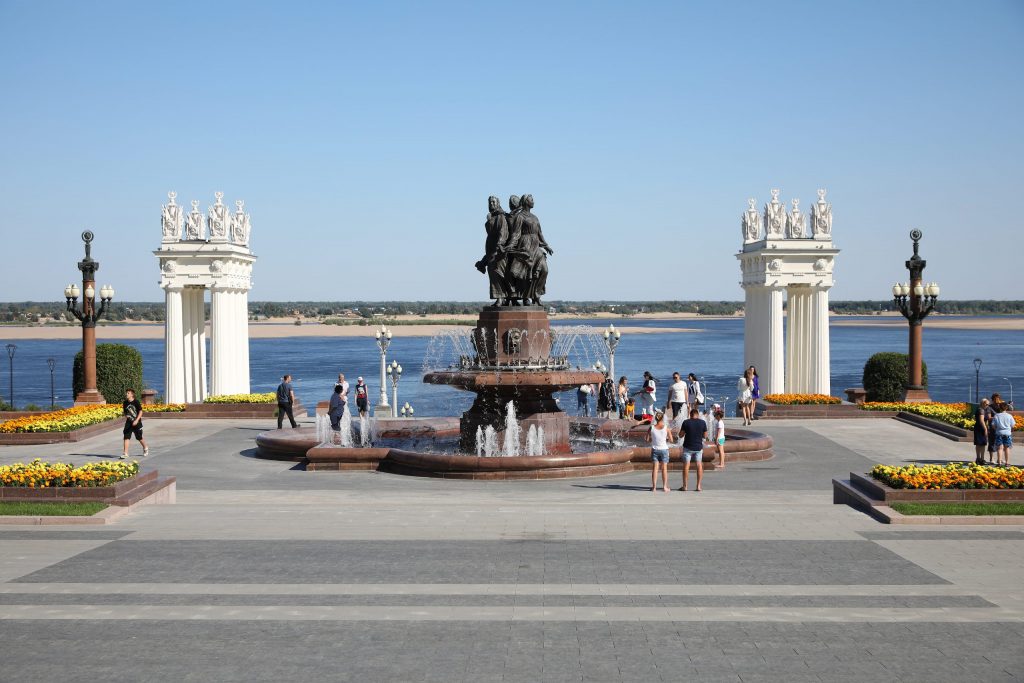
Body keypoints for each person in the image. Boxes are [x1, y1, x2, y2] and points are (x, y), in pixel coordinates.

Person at [645, 410, 674, 492]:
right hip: (664, 449)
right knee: (664, 469)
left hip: (655, 449)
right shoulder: (666, 428)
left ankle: (654, 487)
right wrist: (666, 438)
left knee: (655, 469)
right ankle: (665, 487)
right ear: (663, 419)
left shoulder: (651, 428)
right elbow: (671, 440)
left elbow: (647, 440)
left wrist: (652, 439)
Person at [678, 408, 707, 491]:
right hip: (698, 447)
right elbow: (705, 436)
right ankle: (698, 486)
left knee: (686, 466)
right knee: (699, 465)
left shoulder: (686, 422)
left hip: (688, 447)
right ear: (697, 415)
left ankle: (685, 486)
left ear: (690, 415)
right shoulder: (703, 422)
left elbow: (681, 435)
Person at [120, 389, 148, 459]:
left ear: (132, 395)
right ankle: (125, 453)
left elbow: (140, 412)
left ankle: (145, 447)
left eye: (128, 393)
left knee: (139, 437)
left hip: (137, 422)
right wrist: (127, 417)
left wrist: (136, 420)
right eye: (126, 393)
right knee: (126, 436)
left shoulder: (136, 402)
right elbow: (125, 412)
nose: (126, 394)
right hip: (129, 423)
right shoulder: (125, 403)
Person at [991, 402, 1015, 466]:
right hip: (1007, 433)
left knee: (999, 448)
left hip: (999, 433)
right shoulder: (1009, 416)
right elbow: (1013, 425)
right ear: (1006, 408)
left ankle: (999, 462)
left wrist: (996, 429)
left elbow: (993, 425)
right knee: (1007, 448)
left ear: (999, 408)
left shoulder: (996, 416)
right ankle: (1007, 462)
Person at [974, 398, 990, 465]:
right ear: (983, 403)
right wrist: (985, 429)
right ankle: (979, 458)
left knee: (982, 443)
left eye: (988, 404)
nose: (987, 405)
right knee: (979, 443)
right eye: (986, 404)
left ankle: (981, 458)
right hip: (980, 428)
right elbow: (981, 420)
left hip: (980, 427)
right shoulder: (981, 410)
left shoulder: (982, 410)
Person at [987, 393, 1003, 463]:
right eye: (995, 399)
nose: (997, 400)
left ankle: (1000, 459)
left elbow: (1006, 412)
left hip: (1000, 427)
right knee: (992, 443)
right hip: (992, 427)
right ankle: (991, 459)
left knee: (1000, 443)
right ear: (993, 400)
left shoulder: (1001, 407)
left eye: (998, 399)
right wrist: (997, 417)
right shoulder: (989, 407)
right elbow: (989, 418)